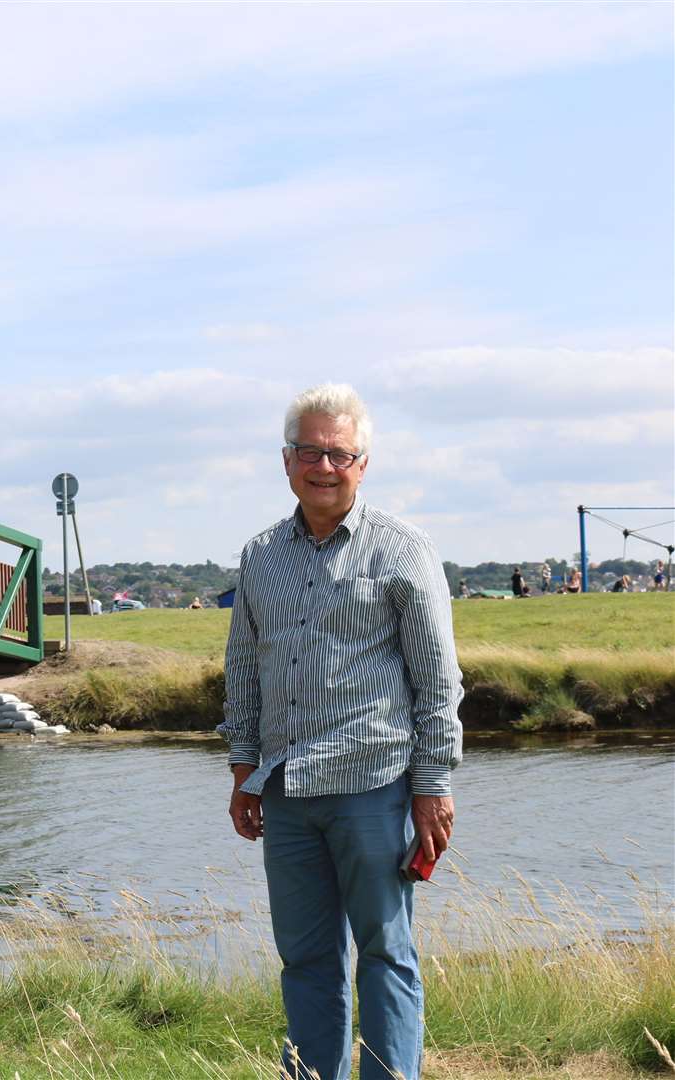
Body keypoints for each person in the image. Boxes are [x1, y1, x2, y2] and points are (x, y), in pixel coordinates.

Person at [218, 383, 463, 1080]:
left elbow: (438, 678)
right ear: (286, 459)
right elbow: (243, 666)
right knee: (305, 957)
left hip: (373, 785)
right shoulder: (261, 554)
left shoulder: (403, 550)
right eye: (309, 452)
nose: (323, 467)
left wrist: (433, 786)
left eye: (339, 454)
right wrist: (242, 769)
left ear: (363, 463)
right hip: (286, 790)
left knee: (386, 952)